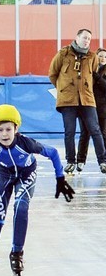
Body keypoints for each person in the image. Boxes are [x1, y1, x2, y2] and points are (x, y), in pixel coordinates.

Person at [0, 105, 74, 276]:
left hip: (26, 174)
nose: (4, 134)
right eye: (0, 130)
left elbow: (52, 153)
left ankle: (17, 253)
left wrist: (60, 178)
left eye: (8, 129)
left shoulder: (26, 143)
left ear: (16, 129)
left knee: (21, 207)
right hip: (4, 176)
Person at [48, 28, 106, 174]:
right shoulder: (63, 54)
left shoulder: (93, 57)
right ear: (77, 37)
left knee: (95, 130)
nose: (87, 41)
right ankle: (70, 161)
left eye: (89, 39)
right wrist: (63, 89)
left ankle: (103, 161)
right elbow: (52, 74)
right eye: (84, 37)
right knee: (70, 132)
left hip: (87, 100)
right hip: (68, 101)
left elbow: (92, 75)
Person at [74, 47, 106, 171]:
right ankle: (80, 161)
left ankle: (104, 161)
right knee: (84, 134)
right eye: (100, 56)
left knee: (102, 134)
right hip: (86, 106)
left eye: (105, 56)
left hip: (102, 109)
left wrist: (97, 77)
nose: (103, 58)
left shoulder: (98, 73)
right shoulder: (88, 70)